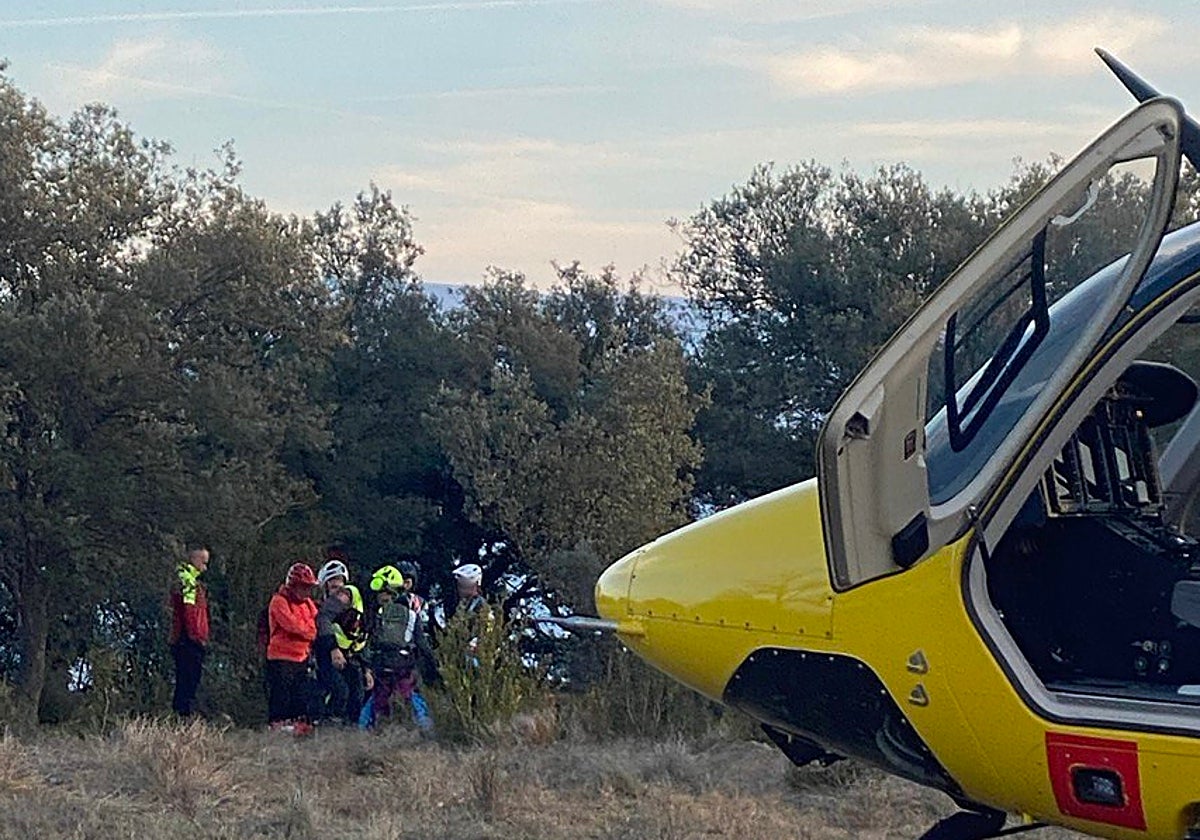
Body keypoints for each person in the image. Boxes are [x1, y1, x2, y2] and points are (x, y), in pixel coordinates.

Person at [361, 564, 435, 732]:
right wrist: (435, 666)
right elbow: (422, 645)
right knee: (414, 699)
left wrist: (367, 666)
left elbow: (367, 642)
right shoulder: (412, 615)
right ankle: (428, 732)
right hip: (403, 665)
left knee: (374, 703)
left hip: (380, 665)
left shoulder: (375, 614)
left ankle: (361, 734)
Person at [266, 562, 319, 733]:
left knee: (300, 697)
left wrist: (307, 631)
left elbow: (315, 624)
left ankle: (299, 729)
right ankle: (277, 728)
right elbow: (292, 625)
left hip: (301, 657)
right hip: (280, 658)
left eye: (309, 587)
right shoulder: (278, 601)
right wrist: (307, 631)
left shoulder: (309, 603)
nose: (306, 591)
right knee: (281, 697)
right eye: (303, 587)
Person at [315, 557, 367, 725]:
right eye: (332, 585)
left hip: (349, 656)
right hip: (326, 655)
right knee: (339, 691)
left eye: (339, 584)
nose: (337, 590)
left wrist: (366, 668)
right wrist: (333, 649)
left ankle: (350, 732)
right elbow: (322, 621)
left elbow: (360, 637)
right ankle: (328, 728)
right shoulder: (321, 607)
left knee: (357, 693)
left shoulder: (352, 605)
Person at [169, 547, 210, 716]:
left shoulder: (189, 580)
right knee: (187, 681)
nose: (205, 568)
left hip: (188, 638)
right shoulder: (188, 582)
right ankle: (182, 716)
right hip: (188, 640)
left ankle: (183, 715)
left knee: (186, 681)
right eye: (203, 562)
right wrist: (196, 637)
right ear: (193, 559)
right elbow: (190, 613)